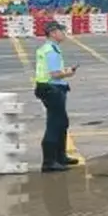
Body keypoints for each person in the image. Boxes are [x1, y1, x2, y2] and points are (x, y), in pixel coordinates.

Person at [34, 21, 78, 173]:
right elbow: (54, 74)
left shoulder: (52, 48)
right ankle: (49, 161)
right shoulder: (51, 51)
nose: (63, 33)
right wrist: (69, 73)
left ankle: (60, 156)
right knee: (55, 124)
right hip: (51, 88)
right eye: (61, 31)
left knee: (62, 122)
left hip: (51, 87)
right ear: (53, 33)